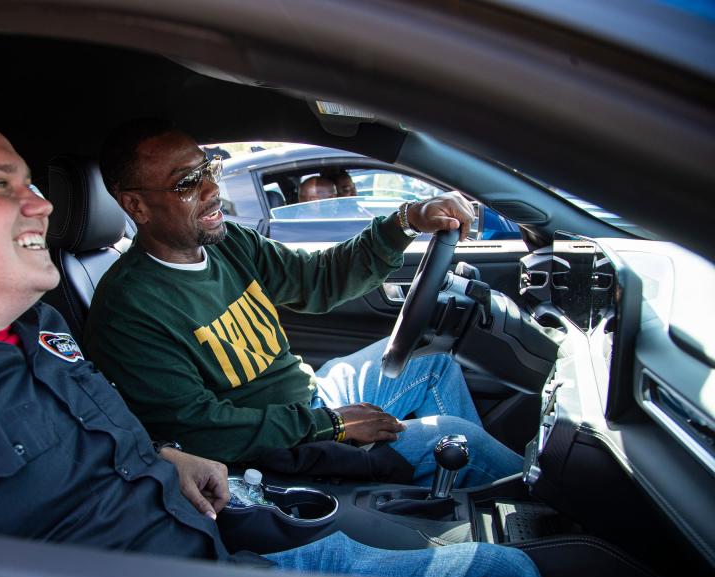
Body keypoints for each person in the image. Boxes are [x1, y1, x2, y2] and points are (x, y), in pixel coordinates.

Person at [0, 115, 543, 577]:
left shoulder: (33, 334)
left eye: (34, 182)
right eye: (5, 186)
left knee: (483, 516)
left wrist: (165, 457)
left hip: (222, 531)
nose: (42, 204)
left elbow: (113, 442)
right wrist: (325, 432)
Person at [86, 119, 523, 486]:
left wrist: (405, 222)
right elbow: (204, 430)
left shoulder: (228, 244)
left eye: (208, 169)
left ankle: (450, 500)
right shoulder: (129, 310)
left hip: (309, 399)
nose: (210, 189)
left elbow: (318, 280)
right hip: (278, 449)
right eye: (186, 183)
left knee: (435, 364)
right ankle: (541, 518)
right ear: (136, 206)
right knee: (454, 438)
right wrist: (334, 425)